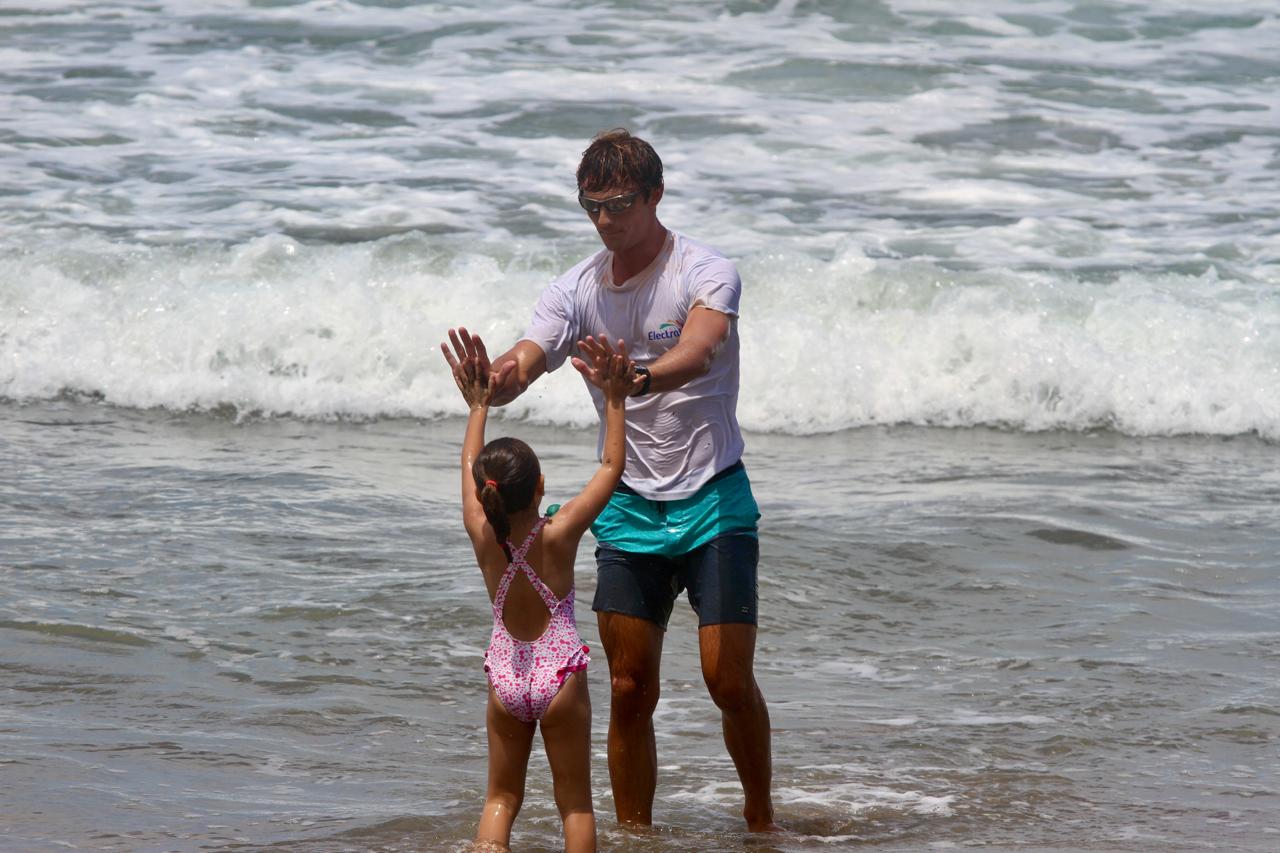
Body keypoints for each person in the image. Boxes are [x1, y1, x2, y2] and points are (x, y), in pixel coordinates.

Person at [441, 129, 778, 832]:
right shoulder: (575, 289)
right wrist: (490, 381)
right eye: (591, 206)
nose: (605, 219)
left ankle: (759, 818)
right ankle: (635, 837)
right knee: (627, 687)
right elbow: (527, 360)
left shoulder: (705, 271)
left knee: (727, 680)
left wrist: (640, 377)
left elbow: (700, 346)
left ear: (654, 195)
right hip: (628, 509)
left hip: (713, 495)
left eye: (619, 203)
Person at [443, 332, 635, 853]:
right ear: (541, 487)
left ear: (489, 496)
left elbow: (467, 465)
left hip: (506, 672)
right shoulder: (560, 531)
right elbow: (612, 469)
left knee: (500, 799)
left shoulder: (481, 531)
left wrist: (478, 405)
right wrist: (614, 399)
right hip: (559, 676)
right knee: (574, 803)